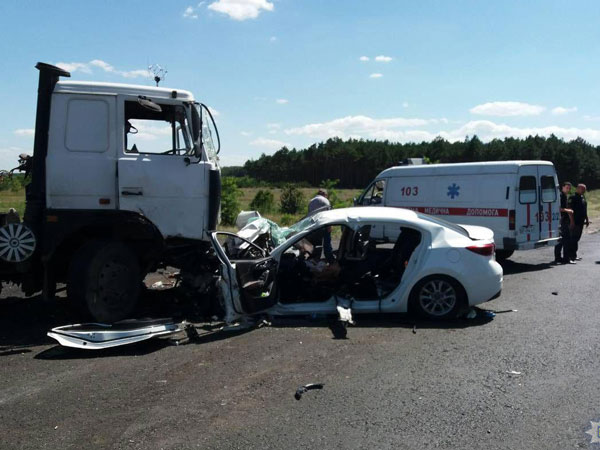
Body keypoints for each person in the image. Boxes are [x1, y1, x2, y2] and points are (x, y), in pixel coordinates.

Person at [307, 189, 334, 263]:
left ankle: (314, 259)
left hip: (314, 225)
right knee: (327, 244)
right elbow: (328, 214)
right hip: (324, 224)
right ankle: (330, 259)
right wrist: (330, 226)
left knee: (315, 244)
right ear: (325, 195)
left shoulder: (311, 201)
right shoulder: (325, 201)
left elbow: (309, 215)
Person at [553, 182, 574, 264]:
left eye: (569, 188)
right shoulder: (561, 196)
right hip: (562, 220)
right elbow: (559, 208)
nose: (568, 189)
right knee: (566, 239)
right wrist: (568, 210)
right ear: (562, 187)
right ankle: (566, 259)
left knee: (560, 240)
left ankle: (558, 258)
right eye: (567, 187)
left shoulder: (564, 196)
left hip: (562, 220)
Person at [568, 183, 590, 261]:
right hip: (575, 222)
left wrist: (587, 219)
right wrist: (572, 222)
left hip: (581, 222)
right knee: (573, 239)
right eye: (582, 189)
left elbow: (584, 210)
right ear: (577, 188)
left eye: (584, 189)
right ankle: (570, 256)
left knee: (577, 238)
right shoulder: (572, 197)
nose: (584, 190)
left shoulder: (582, 197)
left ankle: (574, 255)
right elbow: (570, 211)